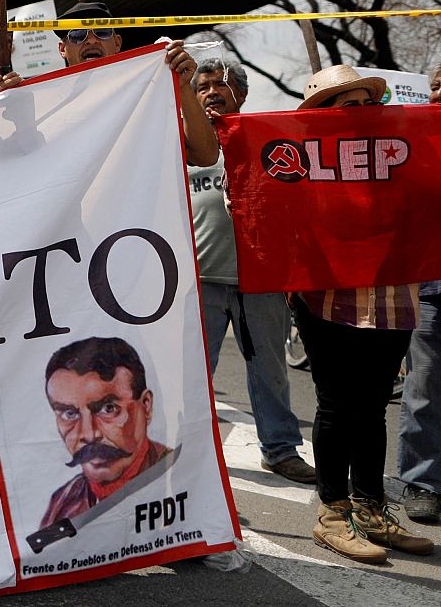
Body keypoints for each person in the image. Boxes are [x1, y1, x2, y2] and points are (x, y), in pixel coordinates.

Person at [288, 64, 433, 563]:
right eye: (350, 106)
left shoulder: (400, 153)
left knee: (372, 406)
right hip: (325, 295)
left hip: (393, 292)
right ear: (324, 116)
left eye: (369, 104)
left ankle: (371, 509)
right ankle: (332, 514)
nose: (364, 114)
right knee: (336, 403)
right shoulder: (302, 162)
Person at [188, 60, 316, 485]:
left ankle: (280, 450)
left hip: (261, 279)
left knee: (271, 372)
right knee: (193, 373)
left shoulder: (268, 141)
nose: (212, 92)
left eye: (222, 84)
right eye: (202, 86)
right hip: (200, 279)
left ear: (241, 94)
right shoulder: (181, 145)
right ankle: (190, 454)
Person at [55, 1, 217, 167]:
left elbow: (206, 156)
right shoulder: (51, 109)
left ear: (117, 42)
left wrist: (183, 87)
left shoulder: (146, 93)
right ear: (62, 49)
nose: (90, 40)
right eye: (77, 34)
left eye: (101, 31)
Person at [38, 337, 172, 531]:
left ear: (146, 406)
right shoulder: (62, 504)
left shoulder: (179, 479)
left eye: (108, 409)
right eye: (69, 413)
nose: (89, 434)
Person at [399, 63, 441, 523]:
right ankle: (422, 482)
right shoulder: (409, 145)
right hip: (427, 286)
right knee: (424, 384)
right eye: (435, 87)